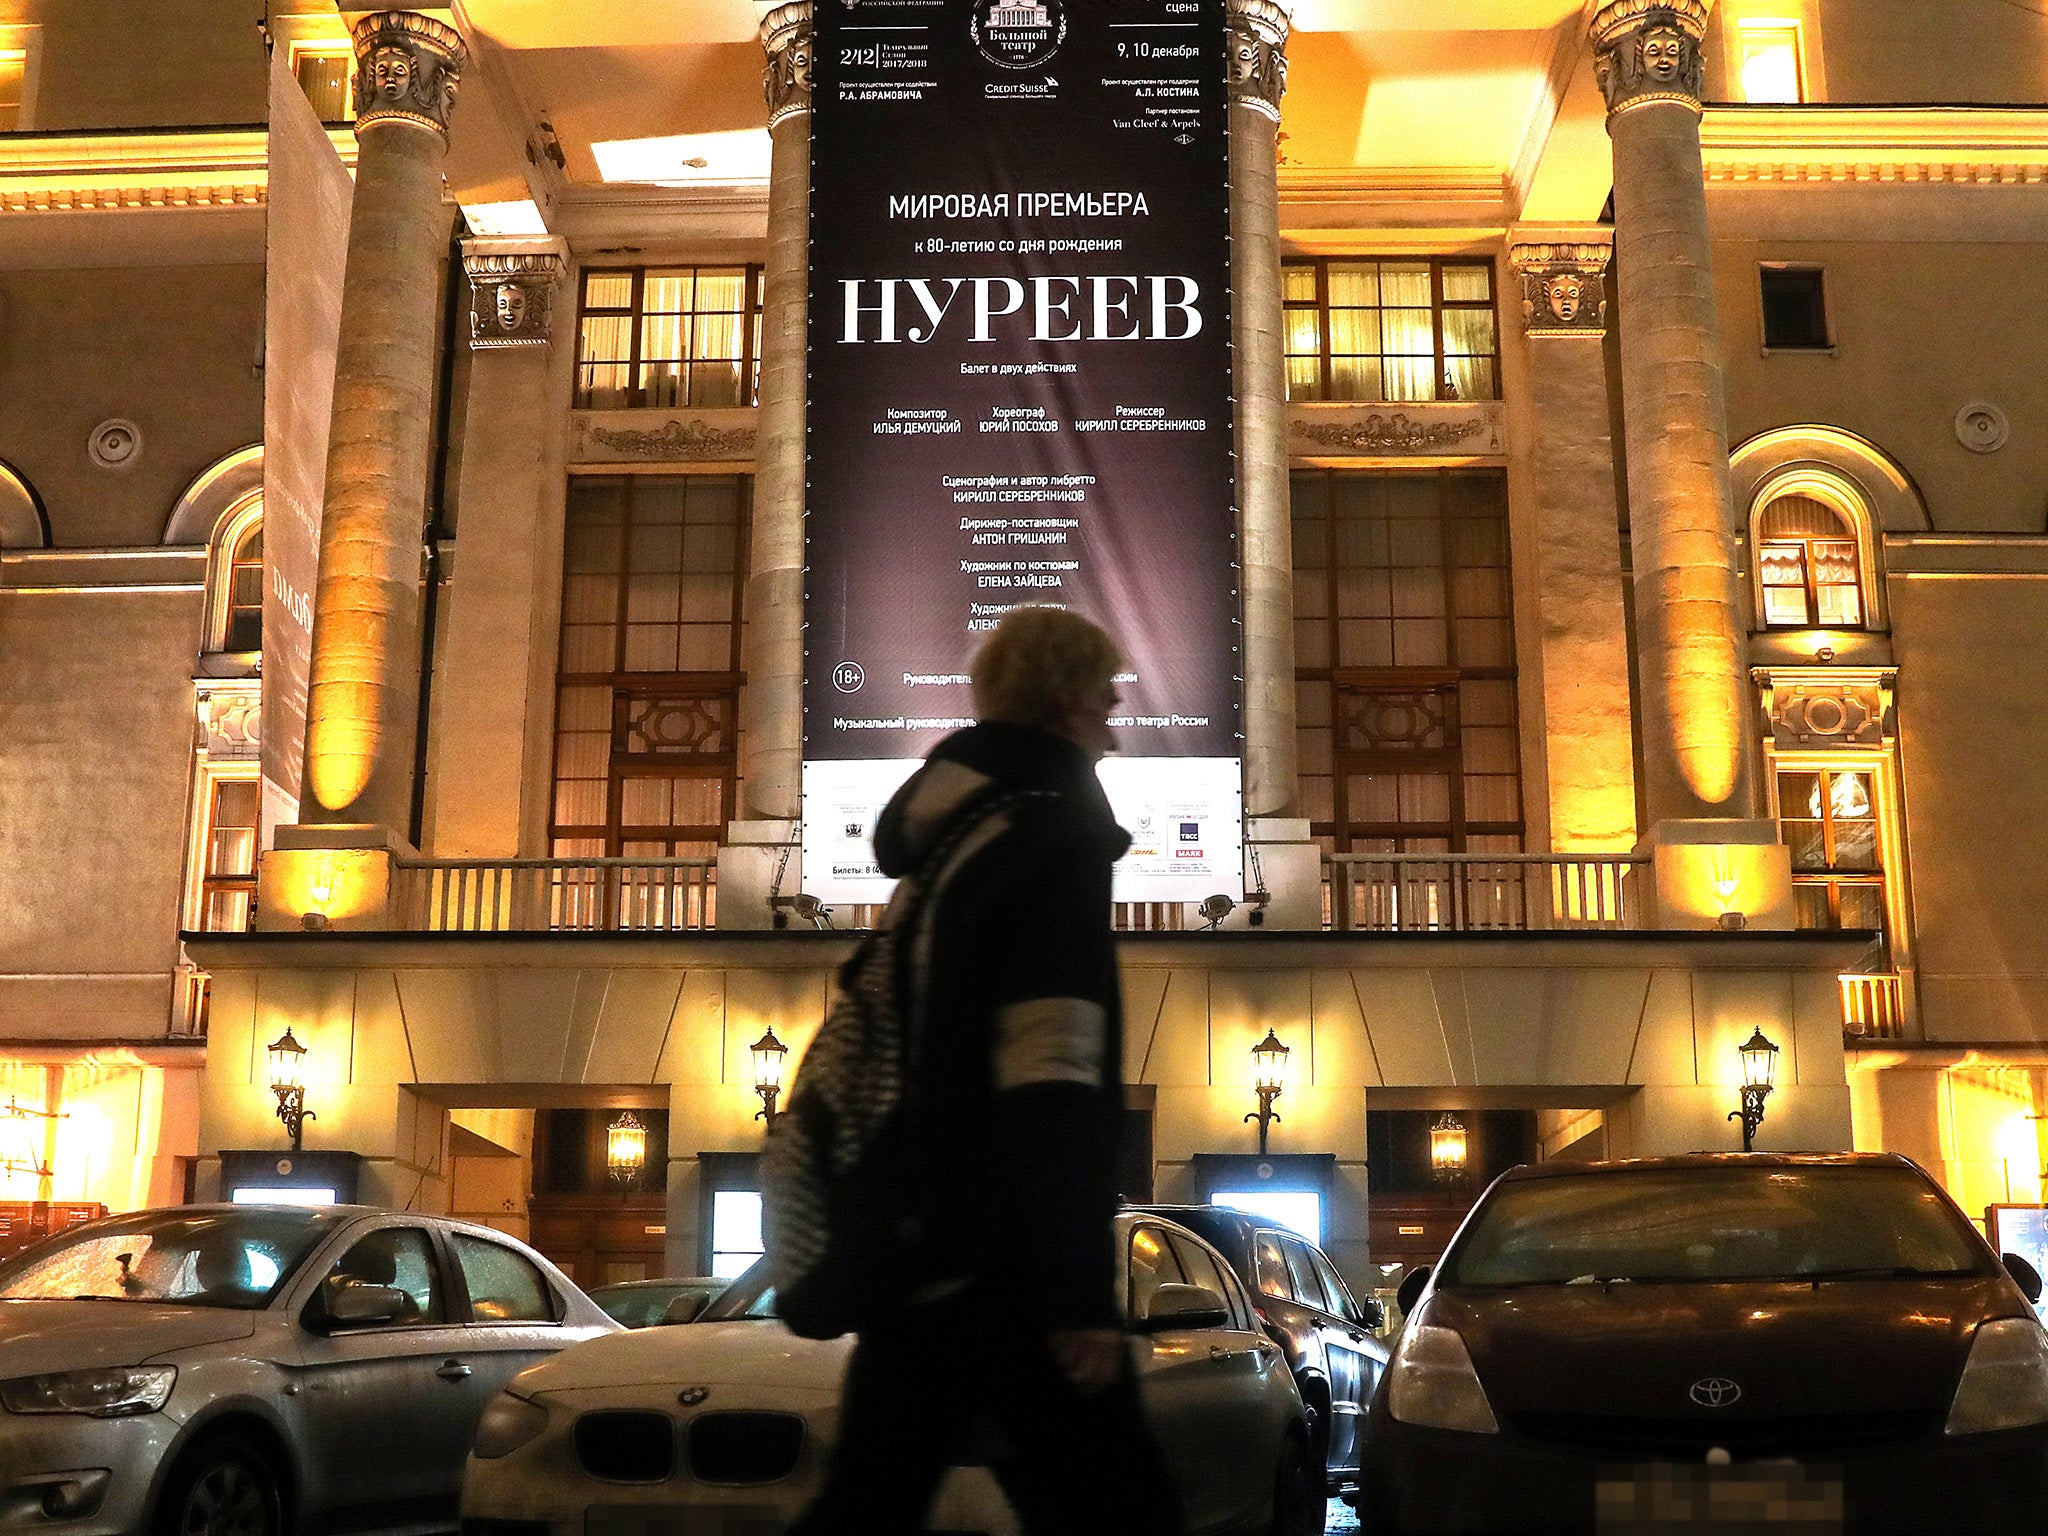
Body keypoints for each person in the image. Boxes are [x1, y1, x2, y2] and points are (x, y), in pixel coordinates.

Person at [789, 607, 1181, 1536]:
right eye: (1105, 697)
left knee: (868, 1504)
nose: (1118, 723)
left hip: (924, 1238)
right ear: (1064, 707)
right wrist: (1078, 1295)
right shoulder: (1053, 843)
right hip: (1002, 1258)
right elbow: (1053, 1073)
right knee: (1122, 1511)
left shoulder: (951, 847)